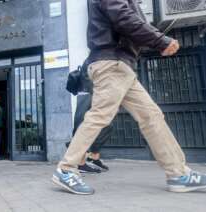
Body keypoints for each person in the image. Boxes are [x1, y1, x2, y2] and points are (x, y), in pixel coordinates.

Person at [52, 0, 206, 195]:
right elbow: (123, 17)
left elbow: (130, 21)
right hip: (112, 63)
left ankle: (178, 174)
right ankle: (66, 169)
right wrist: (160, 40)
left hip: (123, 66)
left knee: (152, 116)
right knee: (100, 116)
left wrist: (152, 39)